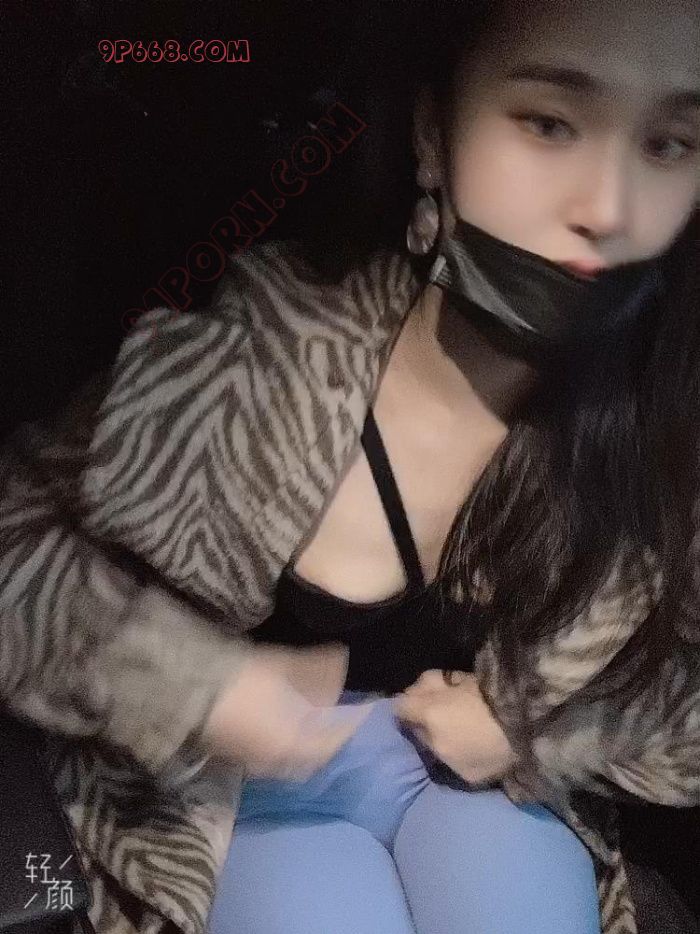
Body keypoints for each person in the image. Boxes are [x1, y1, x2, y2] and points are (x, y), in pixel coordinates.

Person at [1, 0, 699, 932]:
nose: (609, 208)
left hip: (490, 791)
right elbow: (15, 547)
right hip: (224, 800)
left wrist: (540, 734)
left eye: (669, 144)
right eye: (547, 123)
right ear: (433, 133)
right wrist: (195, 685)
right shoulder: (252, 354)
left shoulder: (666, 427)